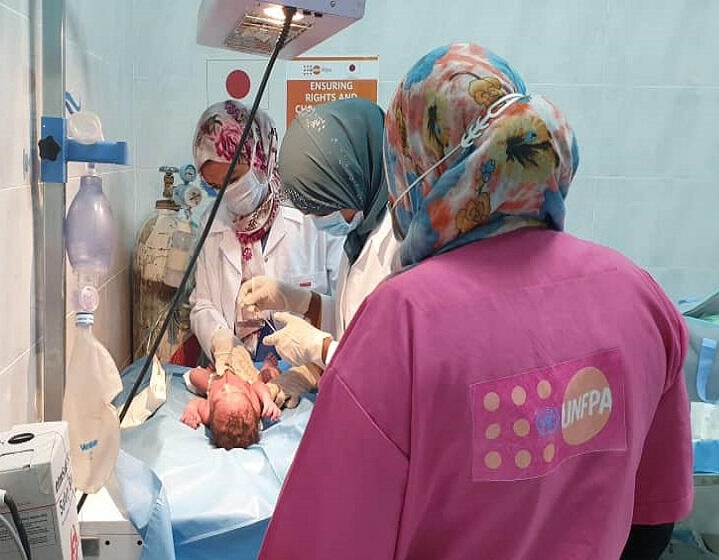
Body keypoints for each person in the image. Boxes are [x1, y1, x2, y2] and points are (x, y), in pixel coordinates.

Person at [259, 43, 692, 560]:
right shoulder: (638, 297)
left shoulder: (405, 323)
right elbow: (653, 522)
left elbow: (323, 544)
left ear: (409, 160)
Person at [238, 98, 400, 371]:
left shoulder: (399, 243)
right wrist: (301, 301)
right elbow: (352, 323)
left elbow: (391, 368)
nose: (318, 221)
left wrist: (322, 349)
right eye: (310, 211)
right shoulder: (359, 235)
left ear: (358, 181)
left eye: (326, 209)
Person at [189, 100, 342, 382]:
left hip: (306, 372)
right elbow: (203, 303)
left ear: (262, 158)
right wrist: (220, 339)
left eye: (234, 178)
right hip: (235, 373)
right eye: (214, 187)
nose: (227, 194)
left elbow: (345, 308)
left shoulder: (313, 218)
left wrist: (308, 370)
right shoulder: (212, 223)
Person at [179, 362, 282, 449]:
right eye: (236, 392)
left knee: (194, 375)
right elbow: (257, 386)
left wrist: (190, 411)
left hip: (214, 381)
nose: (227, 386)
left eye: (223, 393)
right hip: (244, 377)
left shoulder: (208, 415)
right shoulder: (255, 407)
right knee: (272, 374)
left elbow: (197, 403)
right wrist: (267, 400)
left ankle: (211, 370)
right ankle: (265, 369)